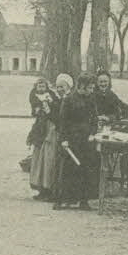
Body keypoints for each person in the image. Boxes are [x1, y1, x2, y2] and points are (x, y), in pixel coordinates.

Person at [55, 73, 99, 210]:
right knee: (68, 170)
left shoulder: (91, 99)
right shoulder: (68, 100)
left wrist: (92, 133)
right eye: (90, 88)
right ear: (82, 86)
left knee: (85, 169)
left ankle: (84, 200)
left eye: (93, 88)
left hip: (86, 140)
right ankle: (62, 200)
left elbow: (94, 119)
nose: (92, 91)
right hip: (71, 140)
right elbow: (63, 121)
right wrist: (64, 139)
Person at [27, 77, 62, 201]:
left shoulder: (53, 96)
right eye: (39, 86)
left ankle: (48, 188)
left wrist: (50, 105)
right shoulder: (34, 96)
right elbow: (34, 109)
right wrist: (37, 110)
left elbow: (55, 111)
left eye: (43, 86)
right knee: (39, 158)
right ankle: (40, 188)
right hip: (41, 129)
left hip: (50, 129)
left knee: (47, 158)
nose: (41, 89)